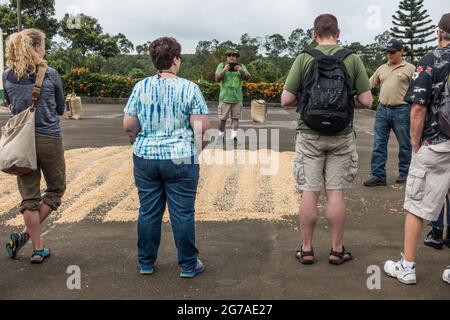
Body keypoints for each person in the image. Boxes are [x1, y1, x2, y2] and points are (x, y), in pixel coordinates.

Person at [281, 14, 373, 265]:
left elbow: (286, 100)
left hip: (309, 135)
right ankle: (336, 249)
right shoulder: (351, 58)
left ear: (314, 34)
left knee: (309, 193)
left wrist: (309, 102)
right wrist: (344, 102)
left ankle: (307, 249)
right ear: (338, 32)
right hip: (342, 136)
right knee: (335, 194)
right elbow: (367, 101)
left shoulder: (304, 58)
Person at [123, 37, 209, 278]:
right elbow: (202, 129)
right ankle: (188, 265)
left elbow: (129, 125)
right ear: (175, 60)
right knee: (182, 212)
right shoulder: (190, 88)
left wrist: (140, 144)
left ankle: (146, 262)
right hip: (181, 157)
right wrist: (194, 151)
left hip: (146, 157)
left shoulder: (140, 87)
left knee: (149, 211)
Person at [384, 13, 450, 285]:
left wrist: (415, 144)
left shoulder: (431, 60)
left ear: (439, 32)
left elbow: (418, 108)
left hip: (436, 143)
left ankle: (407, 266)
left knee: (416, 204)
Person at [3, 29, 66, 264]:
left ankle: (37, 248)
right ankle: (26, 237)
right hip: (49, 139)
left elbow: (10, 106)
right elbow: (60, 109)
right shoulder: (50, 74)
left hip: (21, 143)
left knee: (29, 196)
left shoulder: (6, 76)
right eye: (43, 45)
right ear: (35, 47)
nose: (45, 48)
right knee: (55, 190)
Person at [364, 40, 415, 187]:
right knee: (379, 144)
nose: (389, 54)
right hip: (382, 110)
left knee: (405, 144)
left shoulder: (410, 68)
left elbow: (417, 90)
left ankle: (405, 173)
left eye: (392, 52)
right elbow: (369, 84)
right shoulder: (382, 68)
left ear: (401, 51)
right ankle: (378, 175)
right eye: (387, 51)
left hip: (402, 110)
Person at [215, 49, 250, 142]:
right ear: (226, 57)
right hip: (224, 98)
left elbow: (247, 77)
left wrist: (241, 70)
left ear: (236, 57)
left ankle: (233, 137)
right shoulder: (221, 65)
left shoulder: (241, 66)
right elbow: (217, 79)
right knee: (222, 119)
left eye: (234, 55)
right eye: (229, 55)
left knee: (235, 119)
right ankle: (220, 135)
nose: (231, 57)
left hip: (237, 98)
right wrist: (224, 70)